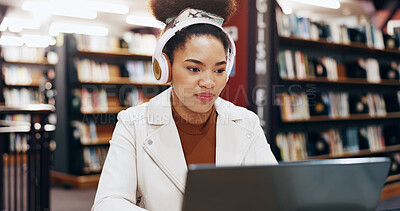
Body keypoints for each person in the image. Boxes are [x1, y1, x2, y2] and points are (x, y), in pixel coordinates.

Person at [92, 0, 277, 210]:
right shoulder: (133, 124)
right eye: (194, 69)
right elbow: (108, 203)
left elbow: (274, 195)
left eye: (218, 70)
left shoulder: (247, 123)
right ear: (165, 68)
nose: (208, 82)